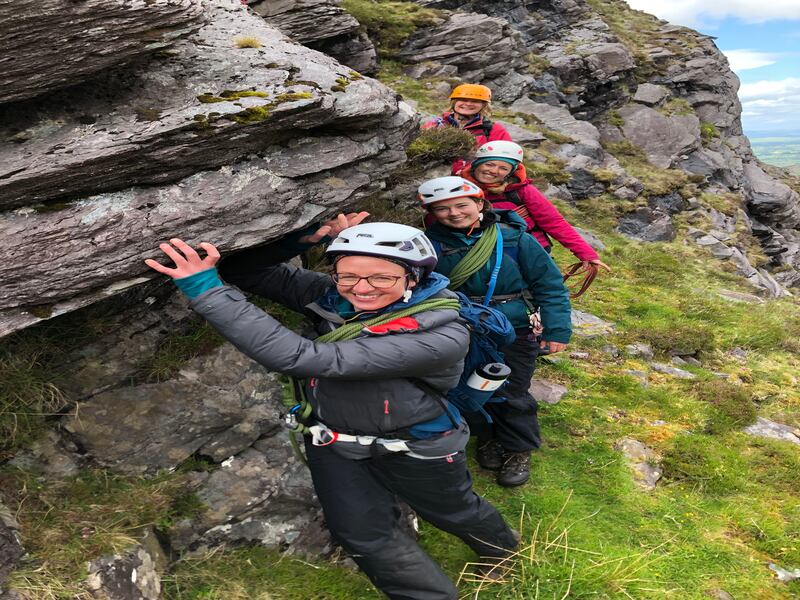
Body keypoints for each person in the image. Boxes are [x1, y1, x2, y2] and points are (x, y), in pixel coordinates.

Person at [145, 215, 519, 600]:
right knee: (362, 535)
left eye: (381, 278)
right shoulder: (334, 296)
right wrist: (302, 240)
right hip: (335, 442)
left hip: (417, 445)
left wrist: (204, 289)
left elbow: (305, 358)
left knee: (454, 512)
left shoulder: (441, 334)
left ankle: (504, 553)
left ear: (413, 278)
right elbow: (246, 271)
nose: (363, 288)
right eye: (349, 275)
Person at [418, 176, 572, 487]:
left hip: (513, 327)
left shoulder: (514, 239)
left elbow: (549, 285)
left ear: (480, 204)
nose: (454, 213)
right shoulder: (426, 245)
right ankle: (487, 437)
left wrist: (557, 329)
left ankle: (518, 448)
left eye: (462, 205)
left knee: (512, 391)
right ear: (432, 213)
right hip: (456, 327)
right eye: (443, 209)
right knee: (467, 386)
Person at [459, 140, 611, 272]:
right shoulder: (457, 186)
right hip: (477, 250)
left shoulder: (522, 191)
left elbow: (553, 222)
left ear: (511, 172)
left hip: (528, 250)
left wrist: (586, 254)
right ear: (477, 164)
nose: (493, 171)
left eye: (503, 168)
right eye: (489, 164)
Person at [422, 83, 512, 174]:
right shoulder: (434, 125)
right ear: (454, 102)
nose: (468, 104)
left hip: (475, 181)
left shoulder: (494, 130)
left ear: (483, 105)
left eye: (475, 101)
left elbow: (507, 160)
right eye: (463, 99)